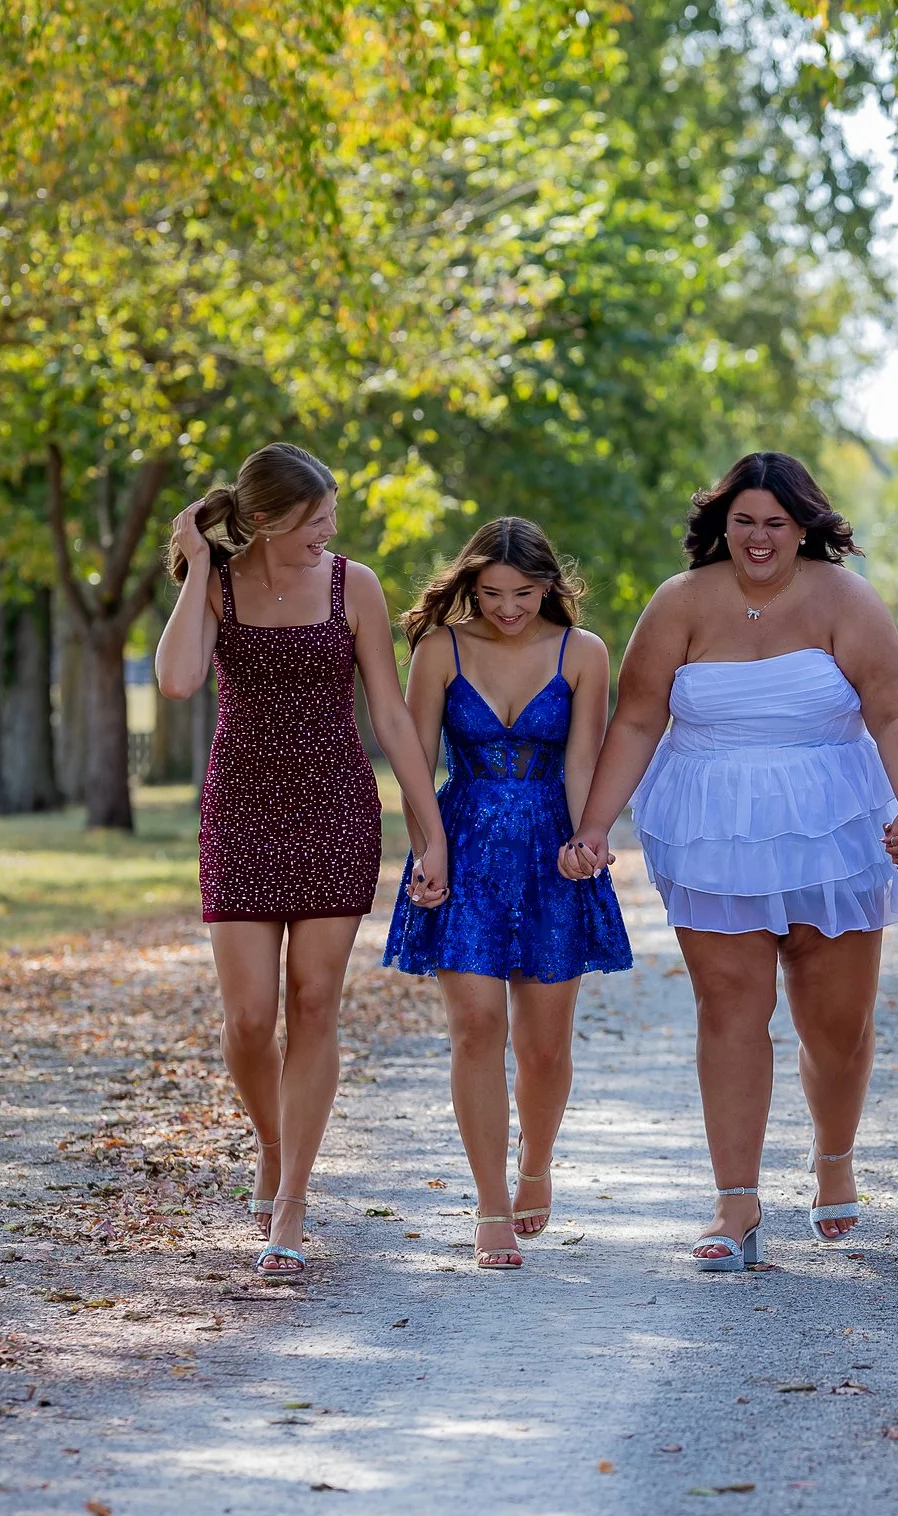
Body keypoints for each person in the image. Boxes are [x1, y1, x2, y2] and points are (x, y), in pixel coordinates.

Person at [558, 453, 898, 1270]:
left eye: (776, 523)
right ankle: (737, 1196)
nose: (760, 538)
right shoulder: (681, 602)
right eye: (745, 521)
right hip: (710, 825)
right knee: (729, 1005)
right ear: (723, 525)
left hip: (831, 821)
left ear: (804, 528)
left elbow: (895, 711)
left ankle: (833, 1155)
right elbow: (637, 721)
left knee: (835, 1025)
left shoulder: (846, 600)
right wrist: (593, 826)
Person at [153, 442, 450, 1281]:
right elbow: (177, 680)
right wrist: (196, 565)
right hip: (242, 808)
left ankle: (292, 1199)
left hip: (335, 807)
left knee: (314, 1000)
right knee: (249, 1018)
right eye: (314, 517)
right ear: (270, 519)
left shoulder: (352, 584)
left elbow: (390, 718)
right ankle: (272, 1141)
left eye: (330, 516)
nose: (328, 530)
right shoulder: (216, 585)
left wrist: (432, 834)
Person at [384, 518, 632, 1270]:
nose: (507, 606)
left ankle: (536, 1163)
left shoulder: (582, 652)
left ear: (550, 585)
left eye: (523, 592)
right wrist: (428, 849)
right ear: (470, 584)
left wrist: (590, 833)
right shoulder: (439, 649)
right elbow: (414, 766)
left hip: (551, 855)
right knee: (474, 1027)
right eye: (491, 592)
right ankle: (490, 1205)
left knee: (545, 1043)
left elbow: (583, 761)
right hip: (462, 848)